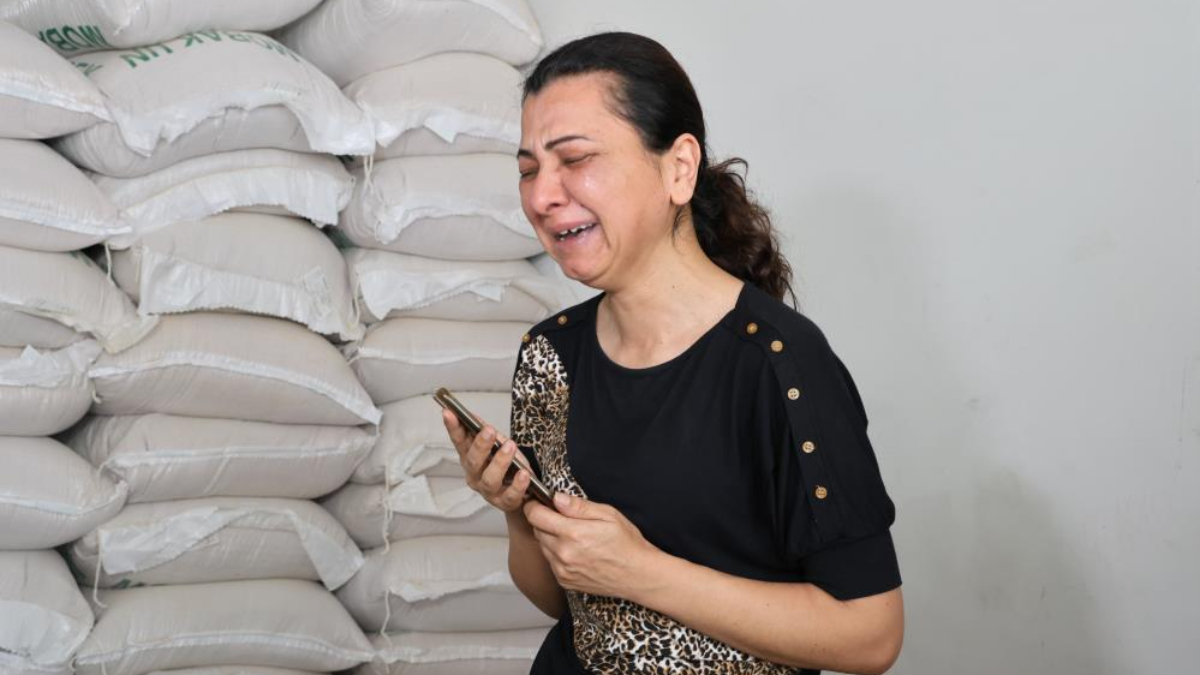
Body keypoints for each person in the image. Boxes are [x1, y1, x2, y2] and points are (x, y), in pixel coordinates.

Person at [441, 31, 904, 675]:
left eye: (574, 158)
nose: (541, 196)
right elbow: (561, 600)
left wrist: (642, 572)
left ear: (679, 168)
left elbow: (870, 635)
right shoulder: (549, 355)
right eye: (527, 170)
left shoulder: (780, 364)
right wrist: (518, 512)